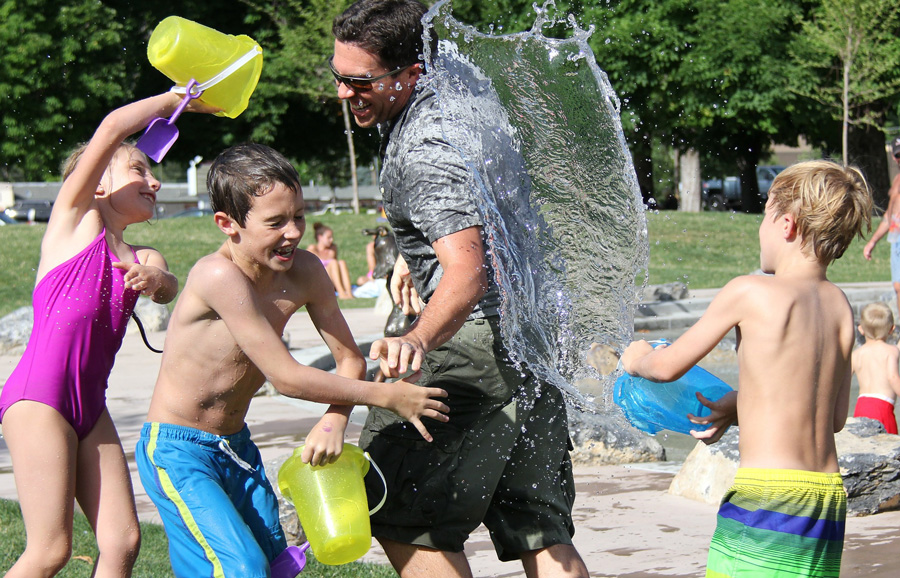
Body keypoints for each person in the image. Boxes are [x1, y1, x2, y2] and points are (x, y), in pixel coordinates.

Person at [331, 2, 589, 576]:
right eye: (338, 77)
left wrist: (418, 338)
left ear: (409, 75)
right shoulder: (462, 89)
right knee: (538, 528)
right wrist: (408, 253)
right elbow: (478, 212)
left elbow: (467, 274)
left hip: (473, 345)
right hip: (535, 339)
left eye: (359, 81)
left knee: (398, 512)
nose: (346, 93)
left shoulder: (425, 150)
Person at [134, 143, 449, 578]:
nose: (293, 232)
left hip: (236, 447)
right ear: (228, 224)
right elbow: (285, 377)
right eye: (275, 222)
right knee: (240, 568)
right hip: (177, 449)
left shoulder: (306, 272)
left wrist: (335, 419)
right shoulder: (217, 275)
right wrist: (388, 396)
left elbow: (348, 358)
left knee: (279, 566)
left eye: (298, 216)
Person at [622, 160, 873, 578]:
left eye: (764, 216)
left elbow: (665, 368)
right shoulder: (840, 307)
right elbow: (832, 417)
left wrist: (636, 358)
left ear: (787, 225)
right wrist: (740, 404)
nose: (761, 228)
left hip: (769, 498)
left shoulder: (750, 291)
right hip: (827, 501)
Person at [0, 92, 211, 577]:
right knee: (50, 551)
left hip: (89, 408)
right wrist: (174, 99)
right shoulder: (73, 223)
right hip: (39, 400)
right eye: (139, 170)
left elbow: (166, 285)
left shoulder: (143, 255)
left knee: (123, 540)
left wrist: (159, 282)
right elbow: (114, 127)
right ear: (97, 185)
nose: (154, 181)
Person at [862, 136, 900, 313]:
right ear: (894, 157)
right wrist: (873, 241)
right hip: (895, 239)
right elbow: (888, 217)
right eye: (899, 155)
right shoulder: (897, 181)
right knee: (898, 288)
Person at [851, 301, 900, 434]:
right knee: (889, 449)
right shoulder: (891, 351)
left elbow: (842, 379)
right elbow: (893, 377)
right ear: (891, 329)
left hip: (861, 406)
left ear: (860, 329)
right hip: (882, 407)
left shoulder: (856, 354)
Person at [306, 221, 355, 299]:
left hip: (332, 281)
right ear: (320, 237)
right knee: (333, 262)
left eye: (332, 237)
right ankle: (341, 293)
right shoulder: (312, 249)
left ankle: (349, 293)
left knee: (341, 262)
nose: (331, 240)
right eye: (329, 237)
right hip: (319, 280)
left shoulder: (332, 249)